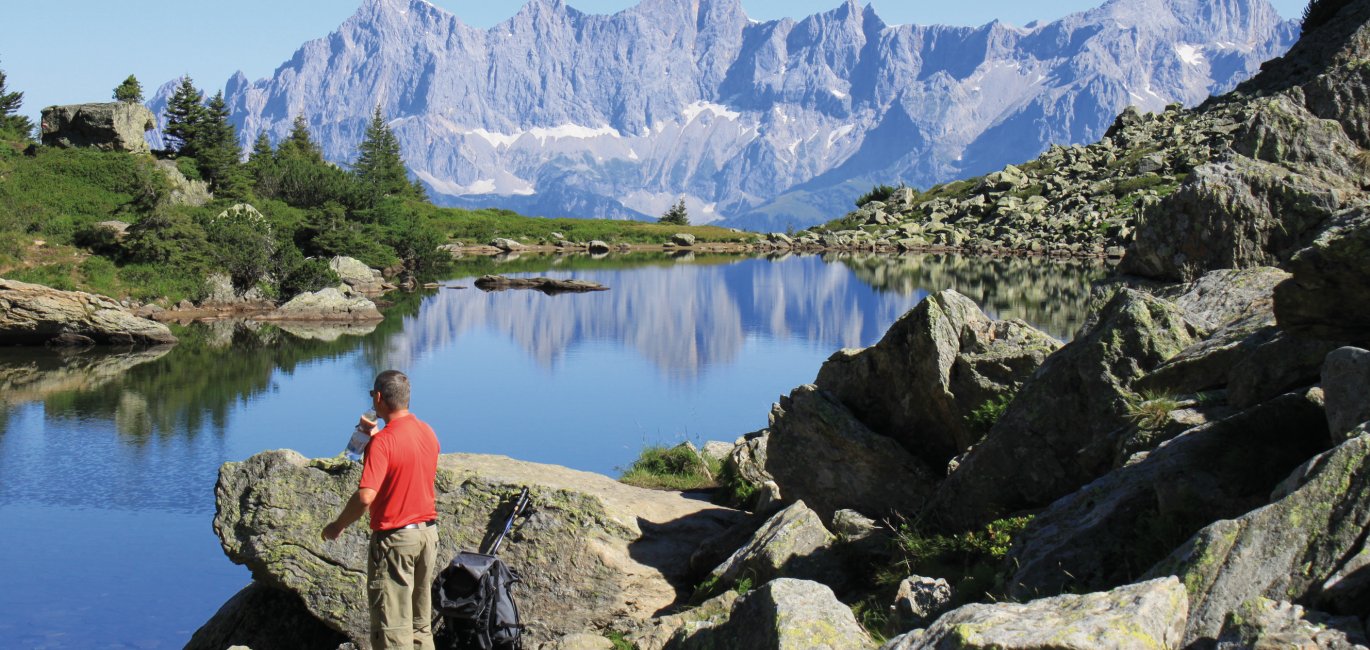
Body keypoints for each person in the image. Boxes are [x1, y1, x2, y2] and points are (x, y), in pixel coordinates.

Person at [322, 370, 441, 650]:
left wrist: (338, 525)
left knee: (392, 631)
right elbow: (408, 463)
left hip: (395, 542)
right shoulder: (427, 432)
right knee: (419, 627)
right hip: (427, 536)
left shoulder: (383, 443)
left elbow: (366, 497)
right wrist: (376, 439)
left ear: (378, 397)